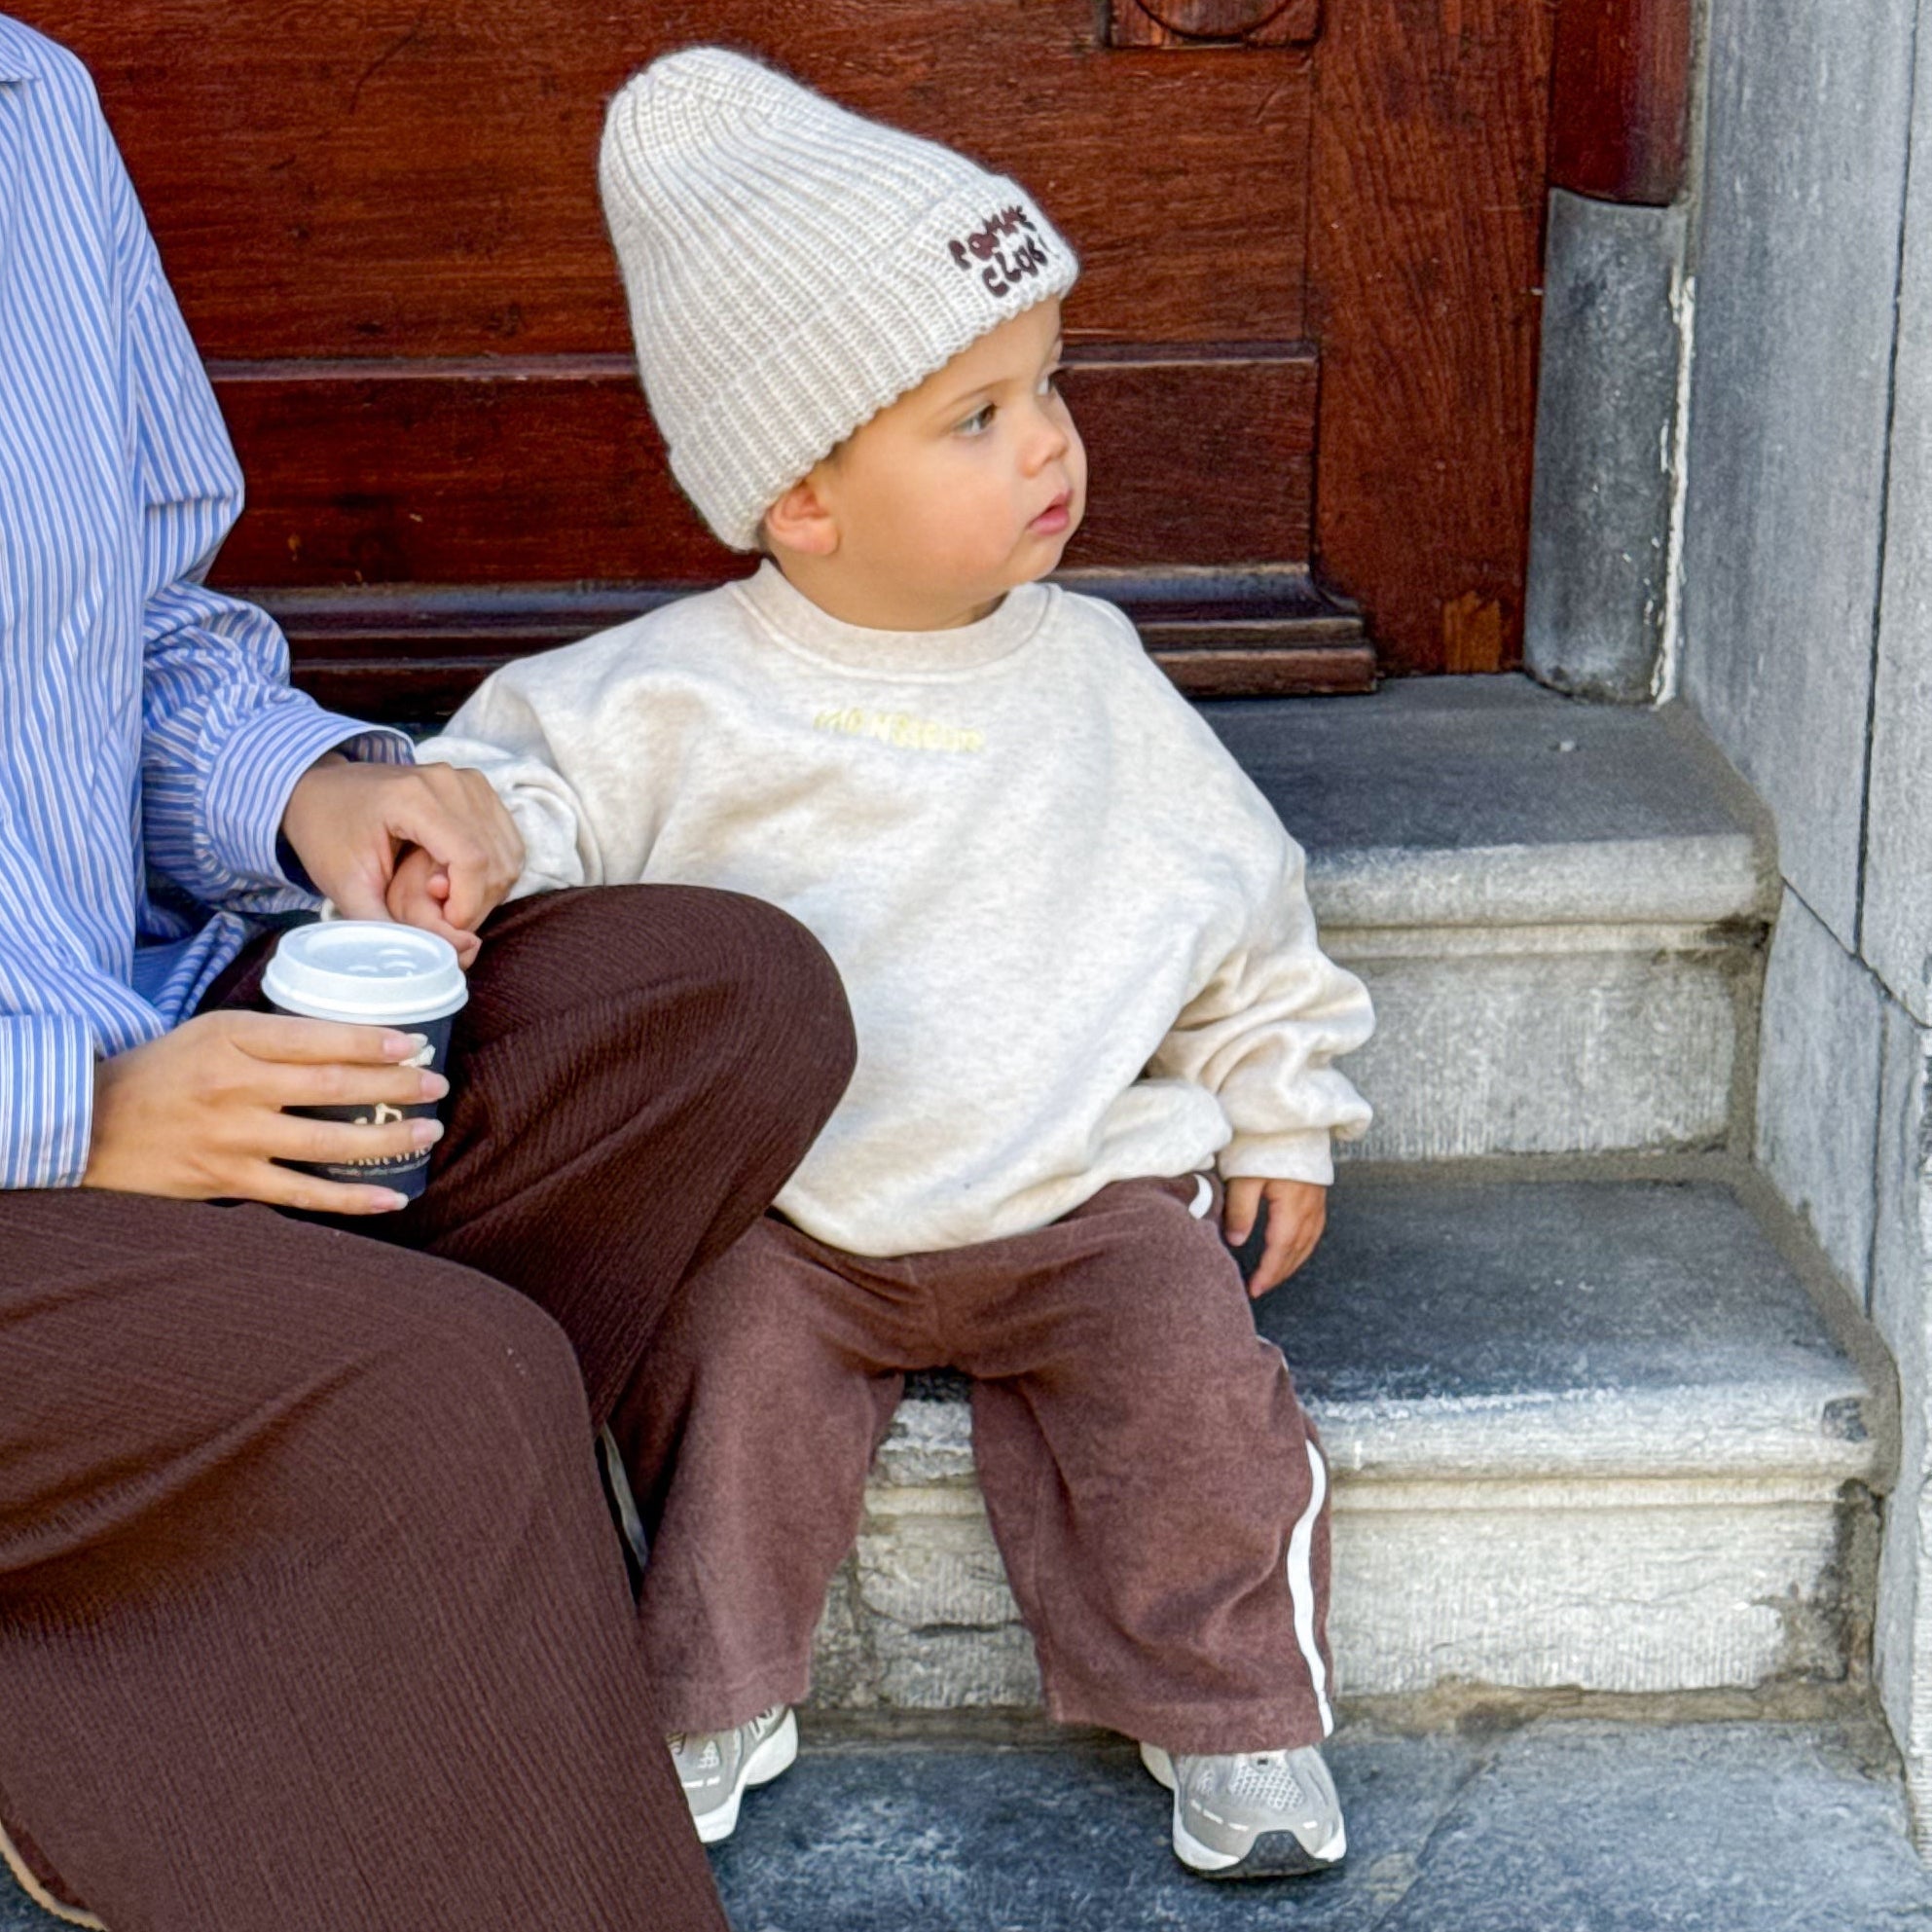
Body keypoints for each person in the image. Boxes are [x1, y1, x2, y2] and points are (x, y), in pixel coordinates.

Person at [417, 46, 1376, 1882]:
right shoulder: (671, 690)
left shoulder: (1094, 675)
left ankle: (1235, 1709)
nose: (1049, 445)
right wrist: (470, 835)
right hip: (802, 1222)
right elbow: (512, 785)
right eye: (974, 416)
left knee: (1195, 1385)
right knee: (714, 1379)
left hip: (1075, 1185)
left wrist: (1280, 1115)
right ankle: (705, 1684)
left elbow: (1247, 914)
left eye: (1047, 388)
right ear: (800, 498)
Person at [0, 19, 854, 1930]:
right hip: (49, 1131)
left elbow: (140, 629)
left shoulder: (25, 104)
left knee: (720, 1011)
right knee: (453, 1383)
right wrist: (78, 1114)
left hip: (130, 1035)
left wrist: (307, 789)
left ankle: (133, 1660)